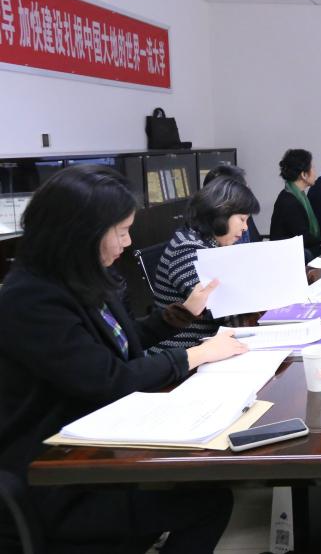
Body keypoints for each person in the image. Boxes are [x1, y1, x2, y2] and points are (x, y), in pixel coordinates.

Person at [0, 165, 247, 553]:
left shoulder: (83, 276)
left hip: (98, 444)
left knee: (201, 480)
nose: (128, 242)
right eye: (120, 231)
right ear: (80, 233)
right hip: (57, 476)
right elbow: (109, 378)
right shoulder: (31, 298)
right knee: (208, 502)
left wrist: (184, 312)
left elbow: (125, 341)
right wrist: (196, 354)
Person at [152, 177, 261, 349]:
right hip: (184, 353)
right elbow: (219, 308)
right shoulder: (186, 248)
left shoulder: (210, 243)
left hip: (210, 345)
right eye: (242, 219)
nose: (245, 227)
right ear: (222, 213)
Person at [270, 148, 321, 259]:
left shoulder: (296, 195)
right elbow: (303, 238)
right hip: (290, 257)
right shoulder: (289, 202)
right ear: (303, 175)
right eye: (312, 167)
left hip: (299, 252)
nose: (315, 172)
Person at [202, 163, 261, 242]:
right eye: (244, 191)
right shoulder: (194, 244)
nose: (245, 227)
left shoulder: (243, 215)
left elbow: (255, 244)